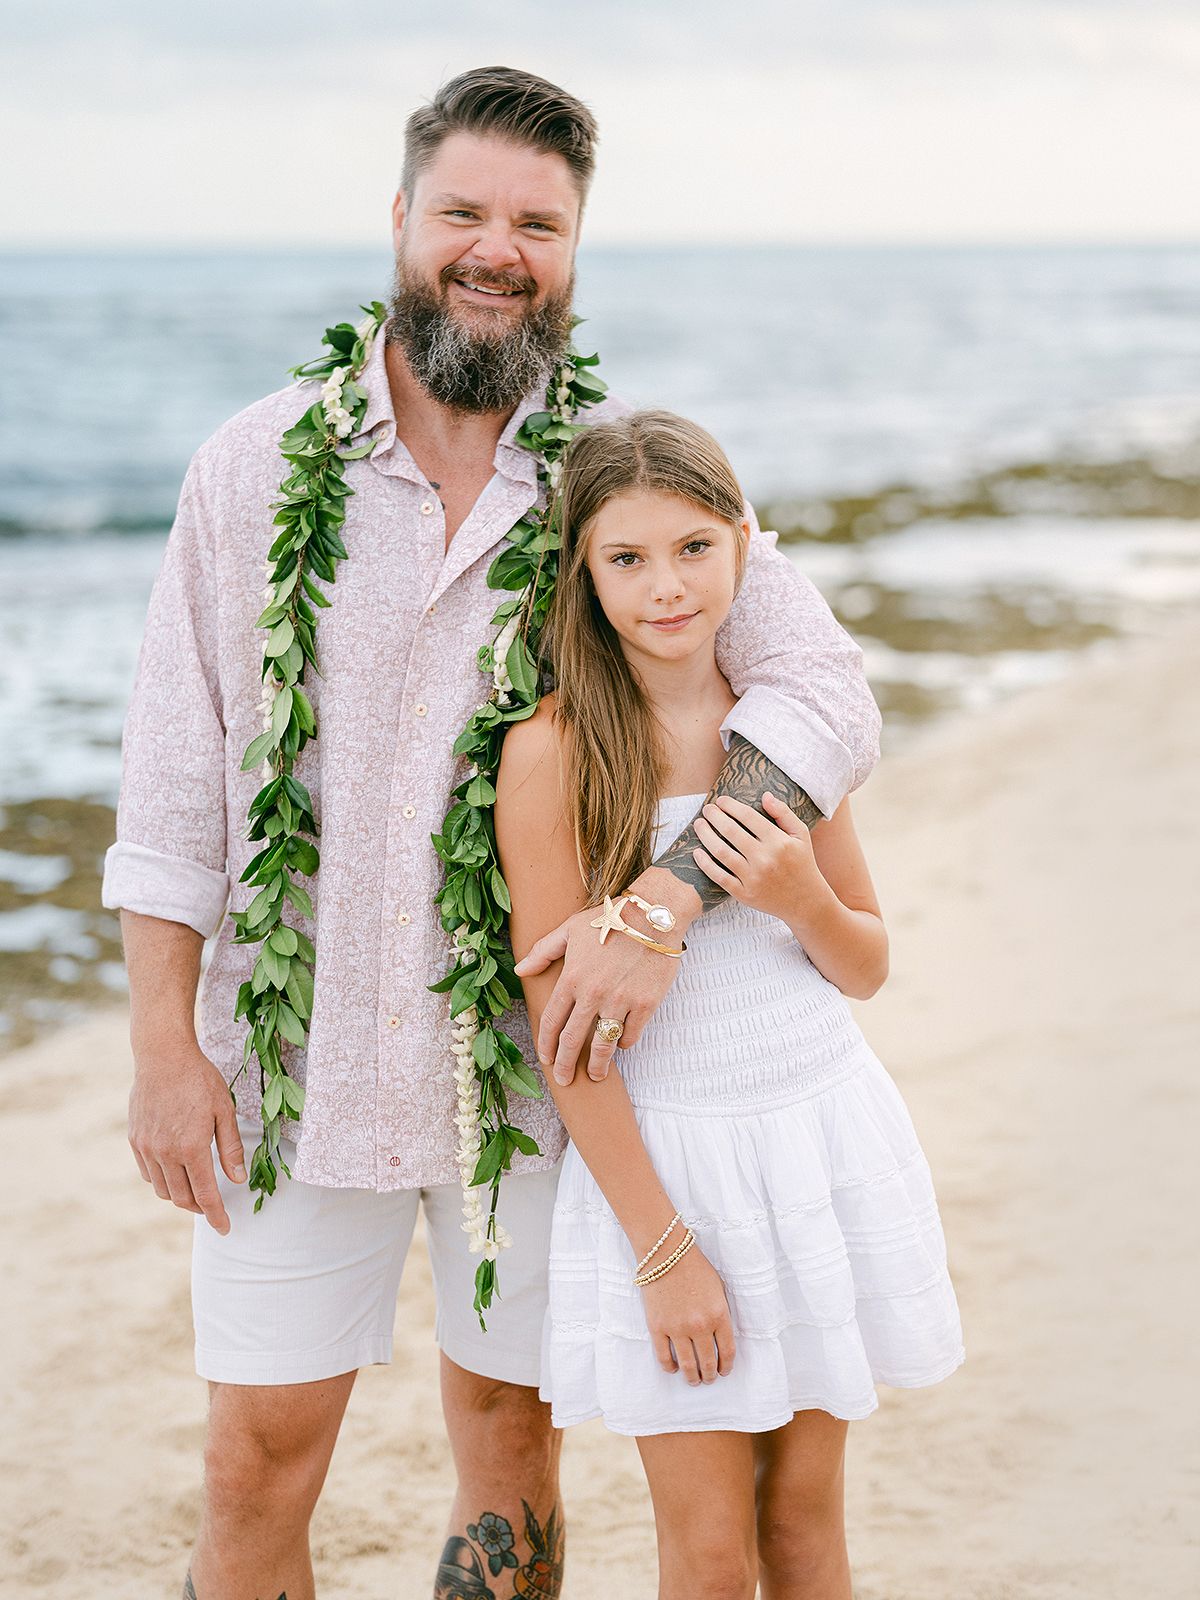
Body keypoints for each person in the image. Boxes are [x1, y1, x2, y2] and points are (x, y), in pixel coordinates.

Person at [102, 67, 881, 1600]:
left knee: (509, 1449)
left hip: (526, 1071)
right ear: (402, 221)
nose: (496, 247)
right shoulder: (250, 470)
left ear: (575, 249)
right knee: (253, 1460)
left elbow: (826, 693)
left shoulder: (614, 481)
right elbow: (174, 780)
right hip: (287, 1051)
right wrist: (158, 1045)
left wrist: (664, 901)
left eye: (539, 222)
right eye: (463, 211)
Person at [496, 411, 962, 1600]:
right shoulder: (553, 755)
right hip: (671, 1173)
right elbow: (569, 1049)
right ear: (583, 573)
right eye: (629, 559)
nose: (667, 587)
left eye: (696, 548)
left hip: (818, 1137)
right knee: (708, 1555)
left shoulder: (784, 729)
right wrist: (663, 1252)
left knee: (805, 1526)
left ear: (747, 548)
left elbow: (864, 963)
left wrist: (800, 893)